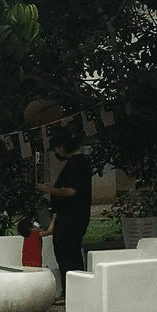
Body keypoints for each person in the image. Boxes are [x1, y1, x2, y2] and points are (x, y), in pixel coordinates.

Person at [36, 127, 91, 300]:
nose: (57, 153)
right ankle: (77, 291)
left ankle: (72, 293)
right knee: (73, 251)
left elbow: (71, 191)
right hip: (77, 216)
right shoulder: (81, 162)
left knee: (66, 252)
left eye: (57, 148)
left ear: (62, 146)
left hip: (71, 217)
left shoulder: (75, 164)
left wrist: (50, 189)